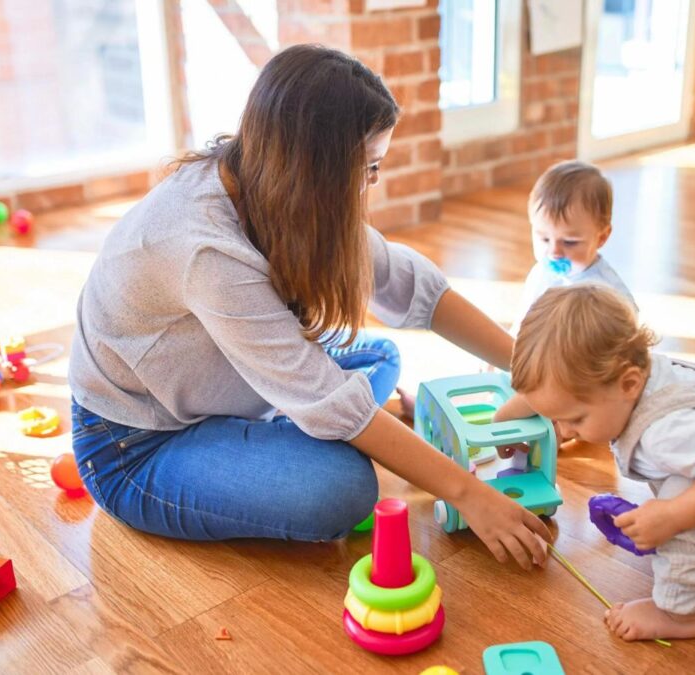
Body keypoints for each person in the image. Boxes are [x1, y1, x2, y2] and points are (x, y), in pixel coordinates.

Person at [68, 44, 550, 569]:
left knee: (379, 358)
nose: (373, 183)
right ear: (315, 168)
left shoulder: (267, 181)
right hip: (137, 447)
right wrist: (470, 494)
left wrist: (534, 371)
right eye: (368, 166)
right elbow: (328, 398)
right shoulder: (204, 248)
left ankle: (286, 422)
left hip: (233, 385)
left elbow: (411, 286)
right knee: (341, 489)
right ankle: (288, 426)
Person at [495, 285, 695, 639]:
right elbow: (554, 387)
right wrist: (507, 418)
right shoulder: (636, 375)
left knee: (675, 506)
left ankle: (679, 613)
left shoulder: (666, 431)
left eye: (575, 418)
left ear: (629, 384)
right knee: (680, 493)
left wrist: (671, 516)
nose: (563, 429)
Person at [510, 160, 634, 336]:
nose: (554, 253)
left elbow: (627, 340)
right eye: (544, 239)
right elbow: (522, 323)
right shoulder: (540, 273)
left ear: (602, 237)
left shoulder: (607, 293)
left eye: (569, 242)